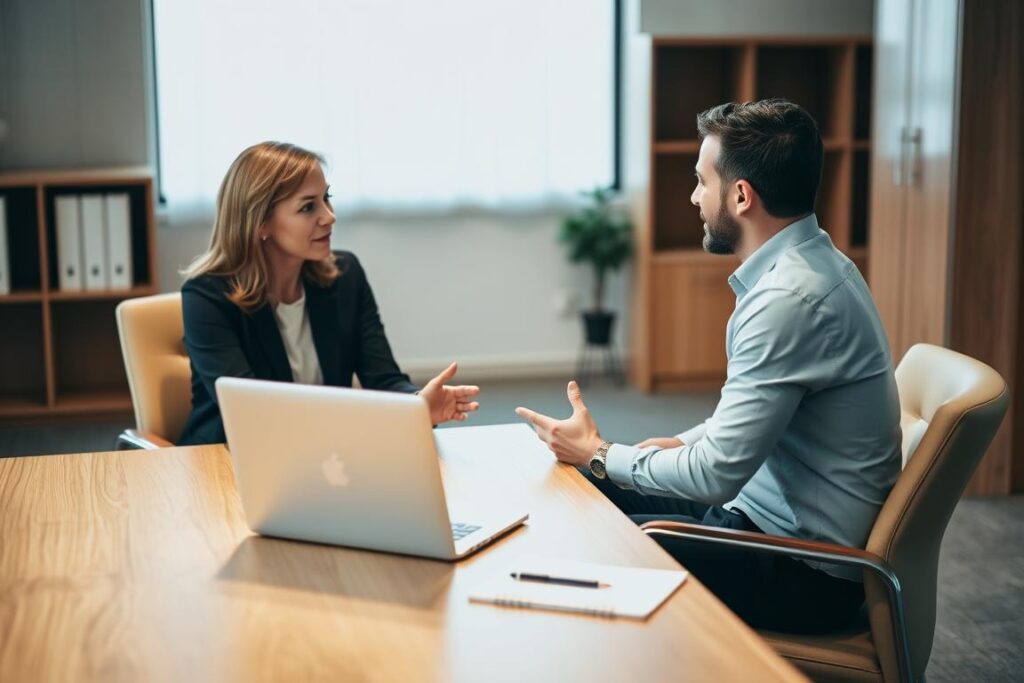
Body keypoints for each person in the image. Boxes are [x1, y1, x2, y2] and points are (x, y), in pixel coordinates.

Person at [515, 99, 901, 634]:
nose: (694, 197)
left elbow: (715, 474)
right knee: (587, 487)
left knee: (599, 540)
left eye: (702, 180)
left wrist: (602, 452)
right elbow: (749, 415)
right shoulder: (815, 262)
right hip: (762, 516)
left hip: (799, 568)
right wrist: (663, 444)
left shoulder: (788, 299)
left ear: (741, 196)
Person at [177, 141, 479, 445]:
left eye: (327, 198)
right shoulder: (206, 297)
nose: (329, 216)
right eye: (308, 207)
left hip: (325, 459)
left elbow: (383, 379)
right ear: (261, 223)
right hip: (227, 461)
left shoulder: (346, 276)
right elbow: (250, 414)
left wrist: (417, 405)